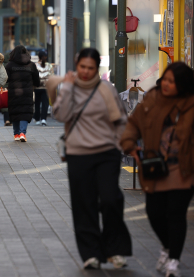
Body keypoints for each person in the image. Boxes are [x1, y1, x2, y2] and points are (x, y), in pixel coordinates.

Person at [120, 63, 194, 277]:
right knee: (154, 213)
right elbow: (133, 124)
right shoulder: (151, 99)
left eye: (173, 81)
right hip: (156, 166)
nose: (166, 84)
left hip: (185, 167)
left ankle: (173, 260)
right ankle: (167, 247)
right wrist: (129, 144)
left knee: (175, 213)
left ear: (183, 84)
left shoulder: (193, 102)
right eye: (165, 79)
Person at [47, 48, 131, 270]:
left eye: (90, 68)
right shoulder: (69, 87)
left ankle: (115, 249)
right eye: (82, 67)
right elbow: (61, 115)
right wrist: (66, 88)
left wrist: (116, 143)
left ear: (97, 69)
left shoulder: (106, 89)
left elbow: (121, 119)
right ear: (77, 64)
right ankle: (91, 253)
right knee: (84, 203)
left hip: (106, 153)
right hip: (78, 154)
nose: (85, 72)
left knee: (111, 199)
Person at [5, 45, 39, 142]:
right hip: (27, 92)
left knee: (15, 111)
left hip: (14, 92)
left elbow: (5, 79)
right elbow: (36, 79)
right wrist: (35, 84)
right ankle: (22, 133)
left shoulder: (10, 65)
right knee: (25, 112)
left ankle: (16, 134)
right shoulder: (31, 65)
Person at [34, 51, 52, 126]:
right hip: (46, 87)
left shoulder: (35, 65)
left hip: (37, 87)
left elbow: (33, 75)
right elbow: (51, 76)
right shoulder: (49, 65)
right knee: (45, 103)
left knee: (37, 103)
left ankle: (37, 119)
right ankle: (43, 119)